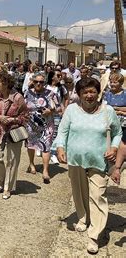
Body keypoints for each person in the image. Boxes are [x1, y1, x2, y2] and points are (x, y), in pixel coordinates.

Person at [55, 77, 122, 254]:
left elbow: (117, 133)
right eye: (85, 92)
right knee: (79, 192)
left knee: (98, 195)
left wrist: (114, 148)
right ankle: (83, 218)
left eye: (92, 91)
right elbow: (62, 131)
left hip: (99, 161)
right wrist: (60, 147)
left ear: (98, 93)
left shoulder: (108, 111)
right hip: (75, 159)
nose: (89, 95)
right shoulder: (71, 110)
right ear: (79, 94)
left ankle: (94, 236)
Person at [0, 71, 28, 199]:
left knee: (12, 161)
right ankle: (2, 178)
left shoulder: (18, 98)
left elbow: (25, 116)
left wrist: (13, 120)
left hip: (14, 132)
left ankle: (7, 187)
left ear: (6, 84)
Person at [25, 73, 59, 183]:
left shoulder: (51, 93)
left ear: (44, 83)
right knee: (30, 145)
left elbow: (59, 107)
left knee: (46, 146)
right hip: (31, 125)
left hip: (46, 125)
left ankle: (45, 170)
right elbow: (23, 107)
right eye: (36, 82)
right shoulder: (27, 93)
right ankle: (31, 164)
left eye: (41, 82)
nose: (39, 84)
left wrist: (51, 110)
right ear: (32, 82)